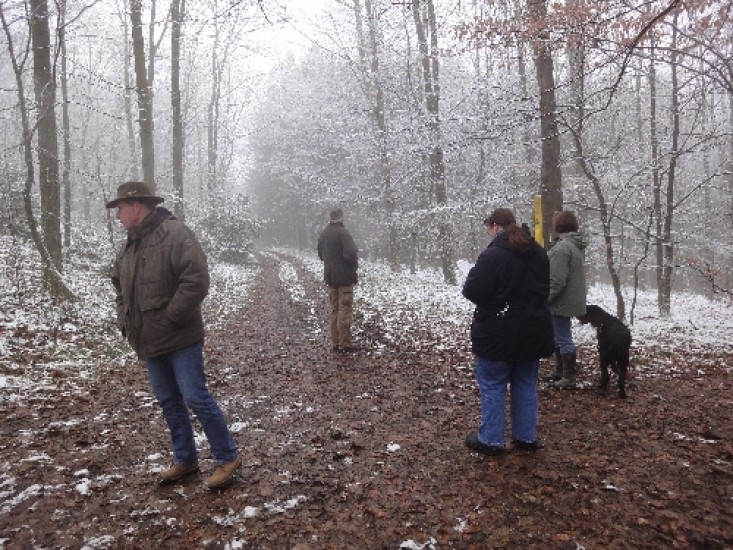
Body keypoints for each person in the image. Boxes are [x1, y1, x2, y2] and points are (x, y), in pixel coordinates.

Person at [107, 181, 240, 489]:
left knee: (195, 397)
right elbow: (118, 287)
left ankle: (227, 457)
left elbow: (196, 280)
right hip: (149, 341)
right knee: (169, 401)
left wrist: (170, 318)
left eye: (120, 208)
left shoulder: (176, 234)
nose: (117, 215)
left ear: (137, 206)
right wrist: (125, 320)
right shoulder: (129, 246)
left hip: (180, 338)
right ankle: (186, 459)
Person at [462, 208, 554, 456]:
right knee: (525, 384)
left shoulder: (492, 256)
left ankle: (491, 440)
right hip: (533, 330)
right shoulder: (538, 252)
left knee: (493, 385)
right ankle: (525, 436)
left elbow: (472, 291)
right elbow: (545, 288)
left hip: (498, 331)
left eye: (489, 228)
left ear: (495, 227)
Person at [545, 210, 587, 389]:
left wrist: (545, 299)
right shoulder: (573, 246)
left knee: (563, 337)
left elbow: (557, 281)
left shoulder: (562, 248)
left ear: (559, 226)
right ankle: (560, 372)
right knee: (559, 336)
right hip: (569, 298)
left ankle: (568, 377)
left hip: (561, 301)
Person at [317, 207, 358, 352]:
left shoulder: (324, 233)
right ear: (341, 217)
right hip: (344, 278)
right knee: (345, 308)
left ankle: (335, 342)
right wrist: (352, 267)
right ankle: (344, 343)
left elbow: (321, 255)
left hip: (330, 277)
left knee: (334, 309)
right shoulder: (343, 233)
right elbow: (351, 254)